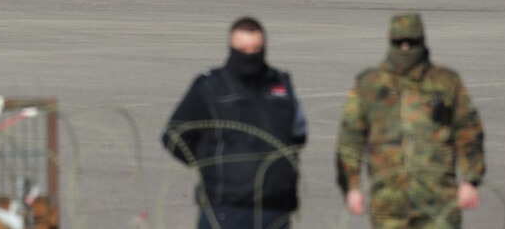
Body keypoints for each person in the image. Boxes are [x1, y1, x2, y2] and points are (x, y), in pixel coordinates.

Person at [336, 12, 484, 228]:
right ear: (390, 42)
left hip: (438, 199)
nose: (405, 48)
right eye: (399, 42)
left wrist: (471, 180)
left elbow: (468, 130)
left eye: (411, 42)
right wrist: (352, 186)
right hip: (389, 203)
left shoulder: (445, 82)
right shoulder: (370, 84)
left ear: (422, 41)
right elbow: (350, 138)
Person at [162, 17, 307, 229]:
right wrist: (209, 165)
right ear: (231, 48)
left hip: (275, 208)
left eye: (256, 49)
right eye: (243, 50)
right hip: (226, 208)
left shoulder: (281, 86)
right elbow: (174, 135)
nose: (250, 56)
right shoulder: (211, 87)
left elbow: (299, 134)